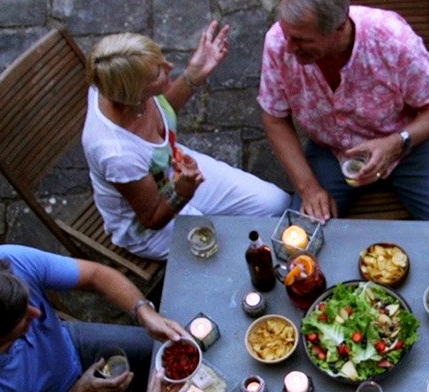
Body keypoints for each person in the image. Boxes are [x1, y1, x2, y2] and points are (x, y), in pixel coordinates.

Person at [257, 0, 429, 221]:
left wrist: (396, 143)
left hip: (409, 146)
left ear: (339, 28)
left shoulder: (393, 41)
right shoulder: (278, 41)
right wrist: (308, 188)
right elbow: (274, 119)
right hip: (331, 150)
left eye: (301, 40)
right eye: (287, 34)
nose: (288, 47)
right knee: (301, 241)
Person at [84, 25, 289, 259]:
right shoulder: (118, 155)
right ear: (134, 94)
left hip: (176, 168)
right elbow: (152, 219)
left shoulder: (113, 85)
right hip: (150, 223)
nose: (170, 67)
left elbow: (165, 111)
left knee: (276, 203)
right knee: (227, 250)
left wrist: (194, 74)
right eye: (158, 73)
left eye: (161, 61)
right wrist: (183, 191)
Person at [0, 244, 190, 392]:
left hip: (71, 346)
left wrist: (144, 313)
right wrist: (79, 391)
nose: (38, 312)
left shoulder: (8, 262)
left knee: (176, 349)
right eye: (23, 319)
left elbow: (95, 275)